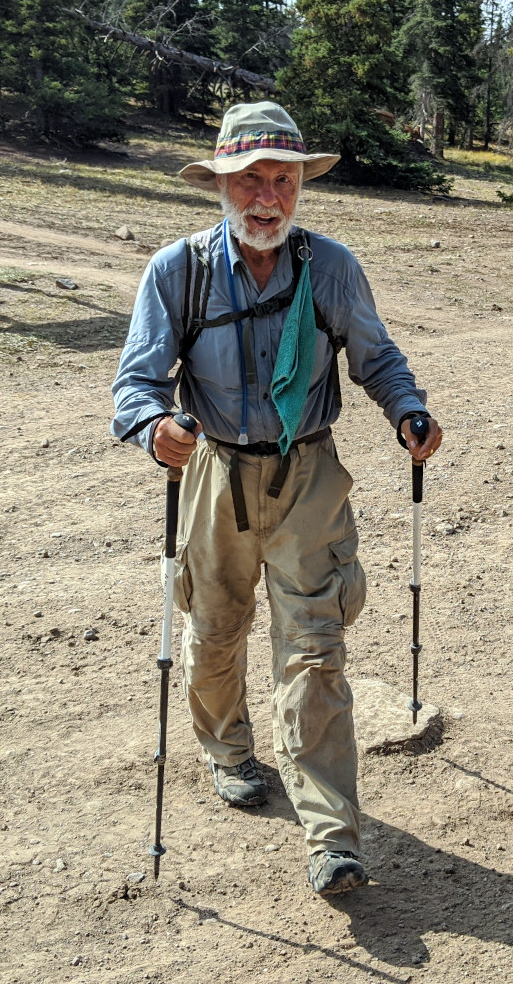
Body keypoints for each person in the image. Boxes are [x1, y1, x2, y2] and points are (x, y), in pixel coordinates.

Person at [110, 102, 443, 895]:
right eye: (251, 179)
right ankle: (228, 750)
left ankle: (333, 837)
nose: (267, 197)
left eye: (283, 180)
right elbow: (135, 383)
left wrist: (408, 411)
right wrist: (156, 427)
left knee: (315, 648)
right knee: (214, 629)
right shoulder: (178, 271)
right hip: (214, 472)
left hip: (308, 473)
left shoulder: (329, 266)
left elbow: (377, 357)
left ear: (300, 187)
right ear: (222, 185)